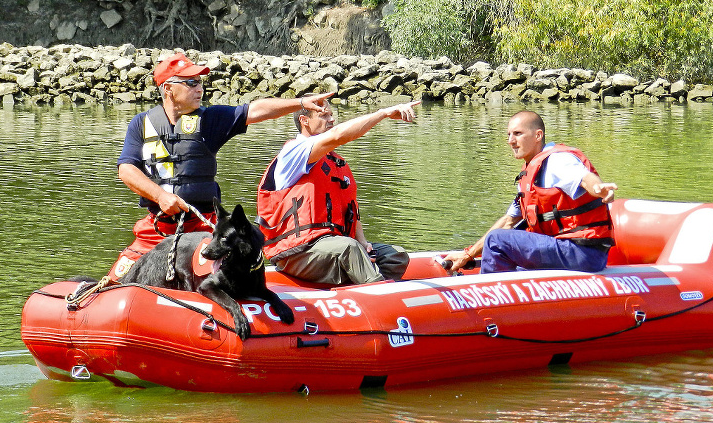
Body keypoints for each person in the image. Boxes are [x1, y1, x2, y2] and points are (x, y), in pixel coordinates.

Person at [109, 52, 332, 279]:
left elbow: (255, 110)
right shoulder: (141, 124)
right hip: (156, 230)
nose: (200, 89)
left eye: (201, 82)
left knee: (217, 280)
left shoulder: (210, 120)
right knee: (116, 281)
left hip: (202, 229)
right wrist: (161, 196)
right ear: (168, 89)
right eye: (191, 82)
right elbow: (126, 169)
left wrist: (301, 103)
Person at [256, 99, 420, 285]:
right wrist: (383, 113)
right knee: (348, 249)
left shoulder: (335, 162)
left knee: (395, 256)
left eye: (331, 114)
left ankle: (359, 286)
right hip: (297, 252)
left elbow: (351, 208)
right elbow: (338, 136)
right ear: (305, 120)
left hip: (332, 247)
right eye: (324, 115)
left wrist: (363, 242)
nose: (332, 119)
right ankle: (379, 293)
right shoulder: (294, 153)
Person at [444, 110, 617, 274]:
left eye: (518, 134)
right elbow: (508, 222)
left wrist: (599, 189)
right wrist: (469, 254)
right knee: (502, 236)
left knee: (496, 241)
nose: (511, 141)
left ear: (538, 136)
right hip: (563, 249)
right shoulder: (529, 173)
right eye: (509, 135)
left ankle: (486, 297)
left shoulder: (558, 161)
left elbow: (585, 178)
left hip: (583, 253)